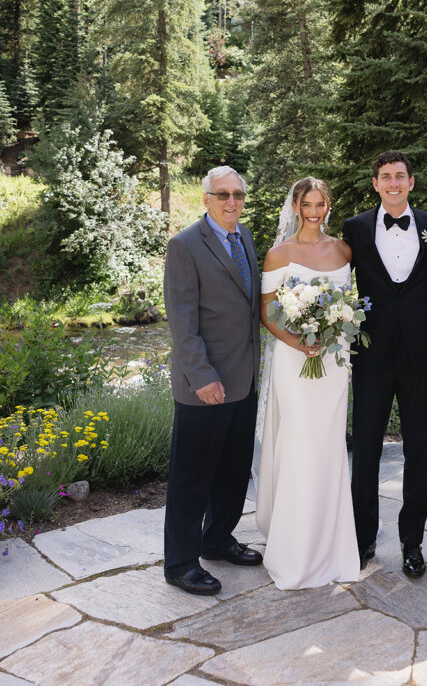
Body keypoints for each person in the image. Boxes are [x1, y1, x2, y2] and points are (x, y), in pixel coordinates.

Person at [342, 151, 427, 578]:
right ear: (375, 184)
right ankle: (362, 538)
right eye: (385, 177)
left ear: (411, 182)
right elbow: (333, 278)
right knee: (365, 448)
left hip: (421, 355)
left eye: (400, 176)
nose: (392, 183)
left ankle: (412, 543)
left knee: (418, 449)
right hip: (371, 356)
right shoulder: (354, 228)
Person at [255, 176, 360, 589]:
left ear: (327, 206)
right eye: (308, 205)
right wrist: (299, 341)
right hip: (294, 360)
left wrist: (332, 333)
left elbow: (348, 305)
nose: (314, 212)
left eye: (321, 204)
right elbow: (267, 313)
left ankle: (333, 550)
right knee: (299, 443)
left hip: (334, 363)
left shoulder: (343, 250)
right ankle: (293, 553)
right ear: (295, 207)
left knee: (330, 446)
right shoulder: (278, 254)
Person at [163, 166, 263, 595]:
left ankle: (217, 539)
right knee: (192, 477)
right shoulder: (185, 246)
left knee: (234, 470)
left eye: (238, 194)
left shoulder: (246, 239)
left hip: (243, 378)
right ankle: (181, 564)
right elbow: (182, 323)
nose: (231, 202)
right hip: (204, 384)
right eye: (222, 194)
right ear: (206, 198)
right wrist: (202, 376)